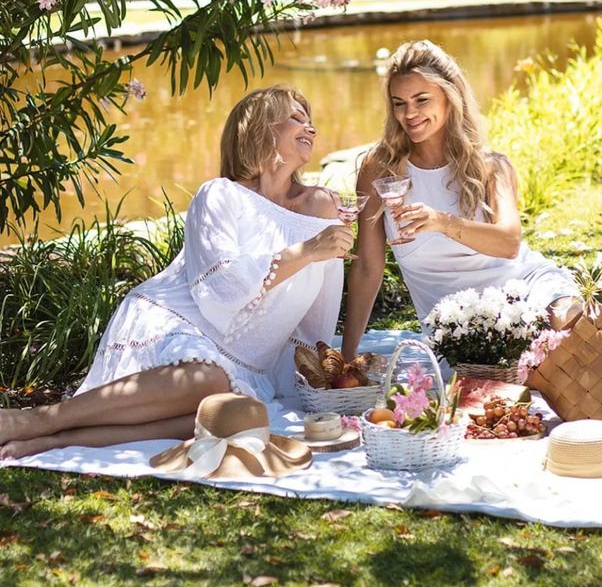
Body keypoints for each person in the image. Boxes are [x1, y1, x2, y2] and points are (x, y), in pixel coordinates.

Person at [341, 41, 602, 389]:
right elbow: (367, 269)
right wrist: (346, 357)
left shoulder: (488, 166)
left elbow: (509, 243)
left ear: (449, 97)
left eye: (421, 100)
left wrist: (441, 222)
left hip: (522, 287)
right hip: (457, 323)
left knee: (574, 325)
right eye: (399, 103)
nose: (409, 114)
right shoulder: (381, 170)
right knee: (571, 371)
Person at [0, 86, 354, 459]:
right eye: (296, 119)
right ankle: (37, 420)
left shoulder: (321, 207)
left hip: (245, 360)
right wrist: (309, 251)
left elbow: (317, 312)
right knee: (207, 380)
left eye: (310, 121)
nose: (310, 128)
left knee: (234, 414)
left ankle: (57, 440)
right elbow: (223, 286)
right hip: (179, 322)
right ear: (259, 130)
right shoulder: (220, 195)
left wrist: (318, 370)